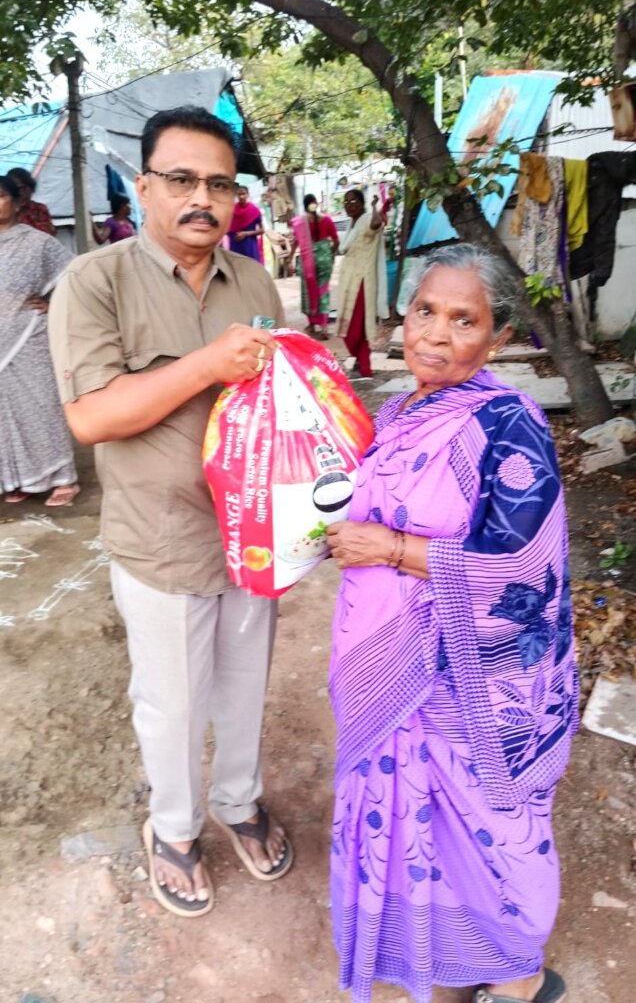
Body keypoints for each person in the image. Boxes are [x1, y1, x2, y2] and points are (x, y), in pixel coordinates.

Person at [48, 106, 293, 919]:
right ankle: (176, 828)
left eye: (220, 184)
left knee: (243, 685)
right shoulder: (95, 281)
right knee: (174, 701)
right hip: (161, 539)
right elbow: (92, 417)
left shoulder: (252, 282)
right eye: (182, 179)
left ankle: (238, 801)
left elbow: (280, 399)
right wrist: (208, 363)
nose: (202, 198)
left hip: (253, 535)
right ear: (144, 186)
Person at [326, 243, 576, 1003]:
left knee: (486, 827)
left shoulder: (509, 425)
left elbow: (525, 566)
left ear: (499, 338)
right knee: (417, 825)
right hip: (383, 659)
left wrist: (392, 549)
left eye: (463, 320)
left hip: (467, 681)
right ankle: (444, 957)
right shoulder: (398, 411)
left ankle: (518, 975)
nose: (435, 334)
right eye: (424, 311)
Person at [0, 175, 80, 507]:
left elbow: (76, 276)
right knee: (5, 413)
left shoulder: (37, 243)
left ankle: (63, 478)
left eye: (0, 196)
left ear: (17, 201)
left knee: (41, 405)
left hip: (29, 337)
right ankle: (17, 479)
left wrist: (52, 305)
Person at [337, 189, 388, 379]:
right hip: (350, 281)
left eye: (353, 202)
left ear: (362, 203)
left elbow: (376, 223)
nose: (349, 206)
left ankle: (362, 365)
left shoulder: (366, 219)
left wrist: (374, 207)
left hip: (362, 282)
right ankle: (361, 365)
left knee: (355, 329)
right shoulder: (352, 224)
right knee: (351, 328)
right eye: (346, 202)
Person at [291, 193, 339, 341]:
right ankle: (324, 327)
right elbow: (336, 241)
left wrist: (290, 257)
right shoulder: (327, 220)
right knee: (323, 292)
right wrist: (329, 255)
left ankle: (311, 325)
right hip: (324, 258)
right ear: (316, 204)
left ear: (305, 206)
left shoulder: (300, 223)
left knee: (308, 292)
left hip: (307, 260)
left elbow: (295, 241)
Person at [7, 167, 56, 236]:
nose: (22, 193)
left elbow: (49, 233)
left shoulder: (39, 209)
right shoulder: (5, 210)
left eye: (25, 188)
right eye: (18, 189)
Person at [228, 184, 264, 262]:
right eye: (239, 194)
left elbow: (262, 230)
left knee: (251, 266)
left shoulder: (254, 210)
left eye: (243, 194)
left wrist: (246, 234)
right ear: (236, 195)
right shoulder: (232, 210)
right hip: (235, 246)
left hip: (250, 246)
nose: (241, 196)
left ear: (248, 195)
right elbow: (227, 227)